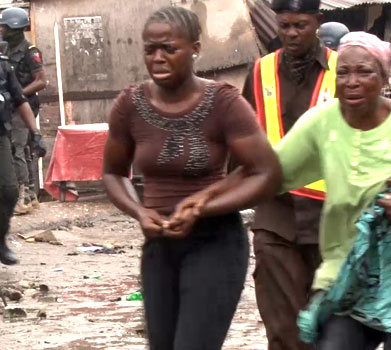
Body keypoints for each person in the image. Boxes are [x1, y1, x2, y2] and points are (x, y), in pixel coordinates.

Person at [178, 31, 391, 350]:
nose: (352, 81)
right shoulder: (322, 123)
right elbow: (267, 170)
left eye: (364, 72)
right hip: (349, 270)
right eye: (343, 72)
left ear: (383, 78)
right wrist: (206, 201)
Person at [102, 7, 280, 350]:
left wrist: (203, 208)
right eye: (150, 50)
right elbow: (112, 173)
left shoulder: (223, 103)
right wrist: (140, 212)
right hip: (159, 246)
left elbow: (266, 173)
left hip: (215, 243)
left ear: (195, 49)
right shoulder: (130, 105)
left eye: (169, 49)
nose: (158, 58)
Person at [240, 1, 337, 349]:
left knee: (331, 325)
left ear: (317, 23)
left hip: (332, 218)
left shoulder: (345, 71)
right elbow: (242, 137)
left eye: (301, 25)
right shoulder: (259, 71)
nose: (292, 34)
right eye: (285, 26)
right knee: (282, 325)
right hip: (276, 215)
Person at [0, 38, 46, 265]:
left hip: (0, 135)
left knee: (9, 191)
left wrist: (36, 133)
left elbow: (20, 99)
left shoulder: (3, 66)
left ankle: (1, 240)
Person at [0, 7, 47, 214]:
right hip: (13, 105)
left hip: (24, 106)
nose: (1, 29)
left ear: (15, 28)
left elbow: (41, 81)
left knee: (17, 149)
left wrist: (16, 95)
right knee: (24, 150)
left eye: (4, 26)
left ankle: (23, 198)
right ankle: (31, 194)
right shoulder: (5, 50)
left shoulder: (30, 51)